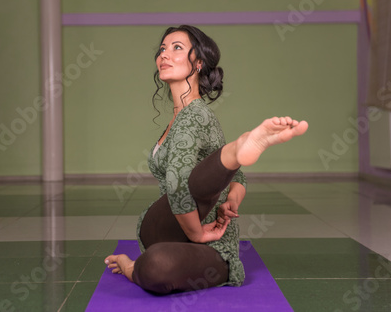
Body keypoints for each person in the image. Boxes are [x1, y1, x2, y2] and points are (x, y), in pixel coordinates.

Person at [105, 25, 308, 294]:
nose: (164, 54)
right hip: (169, 225)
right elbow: (235, 177)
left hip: (206, 241)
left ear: (198, 63)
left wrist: (201, 232)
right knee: (190, 181)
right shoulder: (187, 118)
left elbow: (179, 181)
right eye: (162, 49)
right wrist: (228, 204)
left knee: (155, 266)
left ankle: (135, 267)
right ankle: (236, 151)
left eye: (177, 47)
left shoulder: (196, 116)